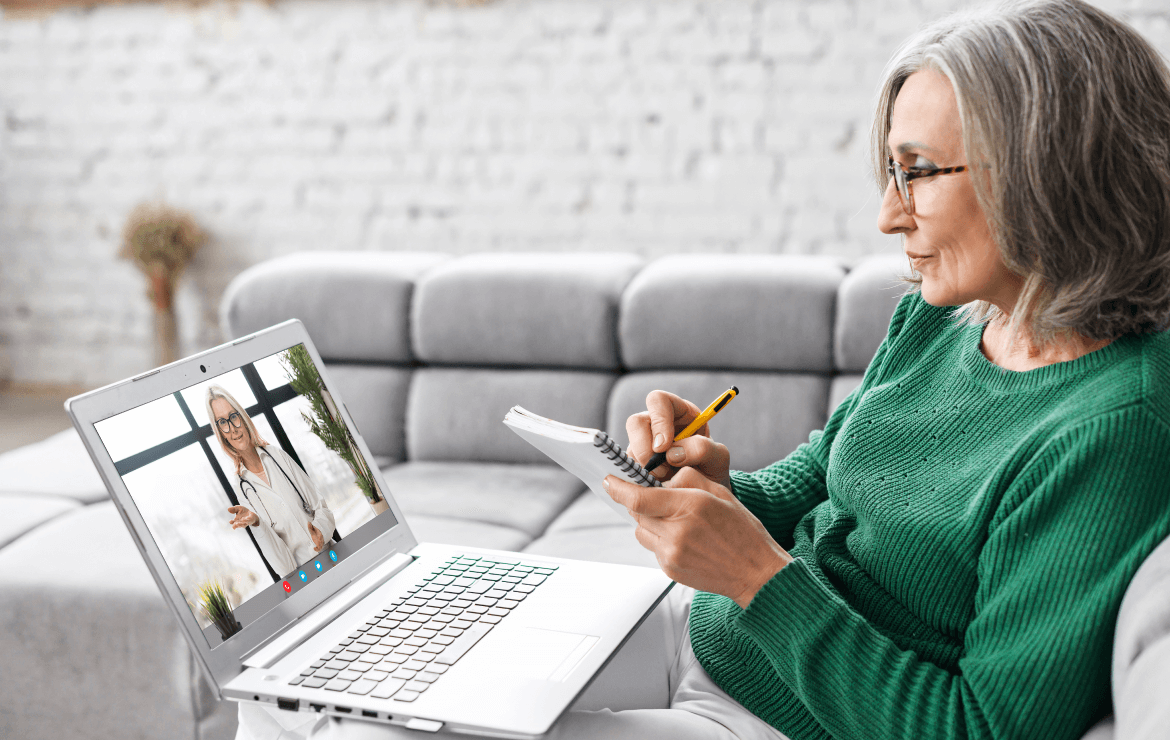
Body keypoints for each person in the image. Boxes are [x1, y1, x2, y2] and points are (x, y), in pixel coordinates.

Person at [239, 1, 1170, 738]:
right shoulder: (948, 319)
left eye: (916, 172)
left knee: (360, 730)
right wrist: (716, 485)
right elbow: (823, 480)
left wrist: (761, 581)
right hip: (711, 639)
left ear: (1047, 168)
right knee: (299, 683)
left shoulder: (1110, 428)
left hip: (785, 719)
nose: (888, 217)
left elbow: (982, 728)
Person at [207, 385, 336, 578]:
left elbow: (322, 508)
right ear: (220, 433)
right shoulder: (243, 489)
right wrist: (257, 524)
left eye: (233, 417)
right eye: (222, 422)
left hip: (333, 557)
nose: (233, 429)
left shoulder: (276, 456)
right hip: (307, 579)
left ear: (242, 417)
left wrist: (320, 531)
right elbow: (284, 568)